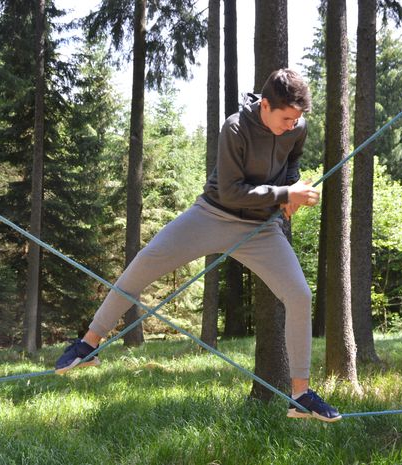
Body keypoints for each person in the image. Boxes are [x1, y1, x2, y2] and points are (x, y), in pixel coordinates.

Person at [55, 68, 342, 423]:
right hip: (212, 215)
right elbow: (230, 192)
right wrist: (285, 193)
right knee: (145, 262)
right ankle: (88, 344)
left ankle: (300, 395)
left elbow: (291, 161)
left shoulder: (297, 128)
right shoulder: (235, 128)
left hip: (260, 229)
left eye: (296, 120)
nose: (292, 125)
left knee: (300, 294)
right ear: (266, 105)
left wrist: (291, 191)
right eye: (286, 118)